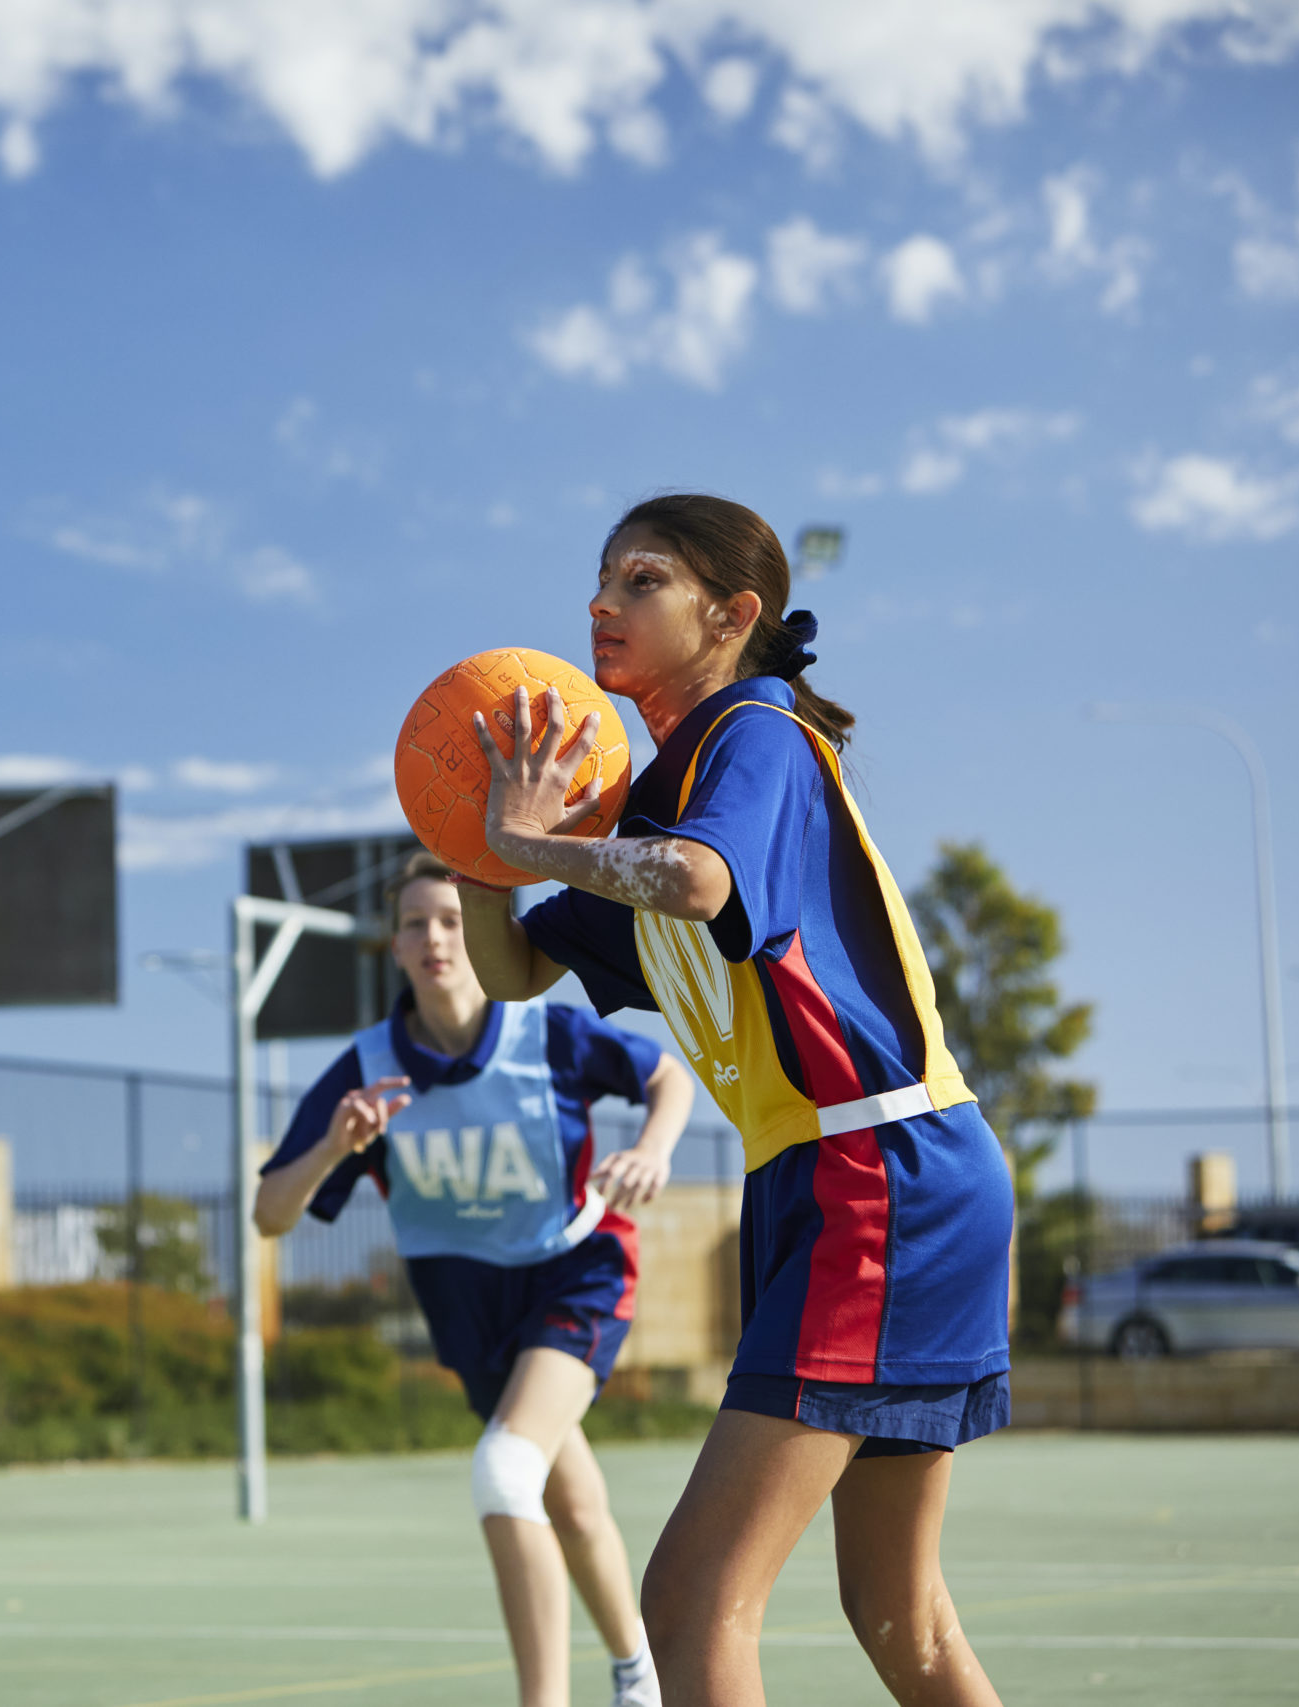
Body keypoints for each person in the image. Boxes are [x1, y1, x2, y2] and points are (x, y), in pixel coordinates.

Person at [459, 493, 1013, 1707]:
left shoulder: (750, 735)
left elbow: (697, 882)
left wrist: (535, 843)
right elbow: (509, 971)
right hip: (840, 1175)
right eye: (598, 579)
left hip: (877, 1171)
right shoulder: (651, 800)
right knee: (897, 1616)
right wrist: (482, 849)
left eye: (641, 580)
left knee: (692, 1598)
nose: (601, 603)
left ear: (732, 614)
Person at [255, 851, 692, 1707]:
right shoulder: (369, 1067)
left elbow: (665, 1075)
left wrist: (653, 1147)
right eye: (416, 922)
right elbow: (272, 1212)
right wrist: (334, 1148)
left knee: (503, 1470)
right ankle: (642, 1677)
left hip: (573, 1275)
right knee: (572, 1503)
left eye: (453, 920)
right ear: (394, 944)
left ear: (484, 932)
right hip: (471, 1311)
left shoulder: (545, 1032)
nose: (435, 937)